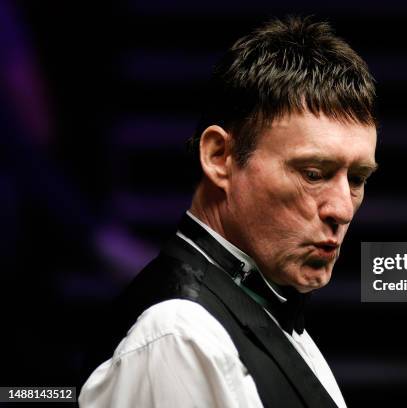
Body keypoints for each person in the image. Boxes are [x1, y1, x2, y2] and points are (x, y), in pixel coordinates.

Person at [79, 15, 378, 408]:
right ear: (220, 157)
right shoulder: (179, 336)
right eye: (313, 173)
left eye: (356, 178)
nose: (342, 208)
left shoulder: (257, 305)